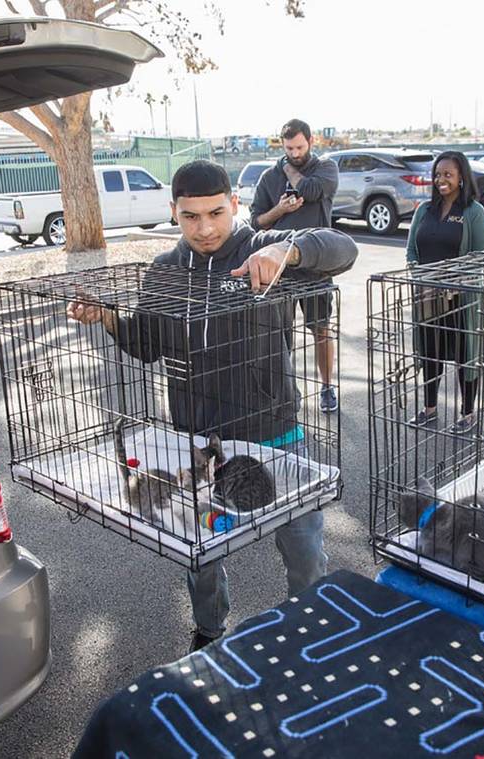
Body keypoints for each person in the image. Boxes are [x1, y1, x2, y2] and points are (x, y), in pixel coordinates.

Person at [66, 160, 357, 652]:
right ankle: (208, 630)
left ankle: (312, 629)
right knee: (200, 553)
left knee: (304, 549)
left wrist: (291, 247)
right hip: (198, 442)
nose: (204, 228)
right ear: (173, 213)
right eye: (190, 217)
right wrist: (109, 318)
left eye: (216, 213)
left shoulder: (261, 249)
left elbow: (342, 248)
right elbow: (145, 344)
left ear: (235, 205)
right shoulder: (164, 269)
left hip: (272, 429)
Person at [250, 119, 342, 413]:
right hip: (280, 270)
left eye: (299, 147)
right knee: (282, 336)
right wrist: (279, 210)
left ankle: (327, 388)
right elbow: (256, 222)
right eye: (289, 148)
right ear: (282, 145)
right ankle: (287, 392)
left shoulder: (325, 168)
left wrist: (289, 170)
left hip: (316, 267)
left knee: (321, 328)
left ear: (311, 142)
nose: (294, 153)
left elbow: (313, 191)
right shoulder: (268, 177)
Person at [405, 150, 484, 434]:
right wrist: (421, 276)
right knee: (430, 353)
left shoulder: (474, 213)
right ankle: (429, 409)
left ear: (462, 178)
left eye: (448, 175)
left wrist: (451, 280)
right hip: (428, 297)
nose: (441, 180)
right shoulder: (423, 210)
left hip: (461, 299)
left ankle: (467, 413)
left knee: (465, 355)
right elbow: (411, 251)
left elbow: (481, 257)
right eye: (438, 175)